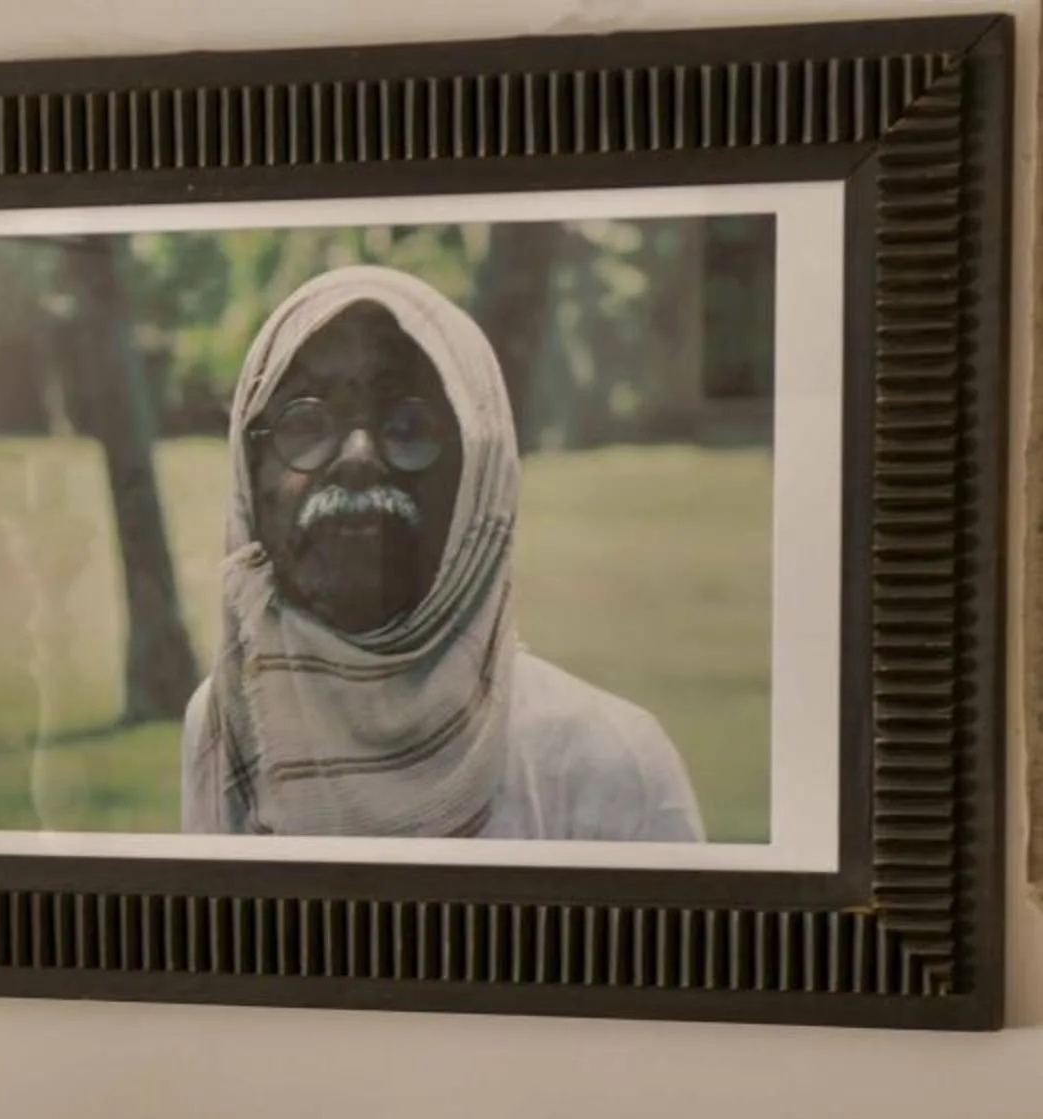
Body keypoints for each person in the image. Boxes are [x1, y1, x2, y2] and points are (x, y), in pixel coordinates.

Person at [180, 264, 704, 842]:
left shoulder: (608, 764)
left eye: (407, 425)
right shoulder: (227, 720)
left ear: (481, 478)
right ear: (249, 475)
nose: (357, 457)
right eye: (303, 421)